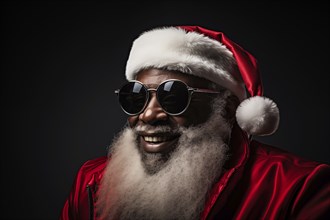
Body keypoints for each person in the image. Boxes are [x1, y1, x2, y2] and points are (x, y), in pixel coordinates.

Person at [60, 25, 330, 220]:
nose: (149, 115)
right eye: (136, 97)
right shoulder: (92, 181)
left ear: (226, 107)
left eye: (173, 96)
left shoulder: (299, 188)